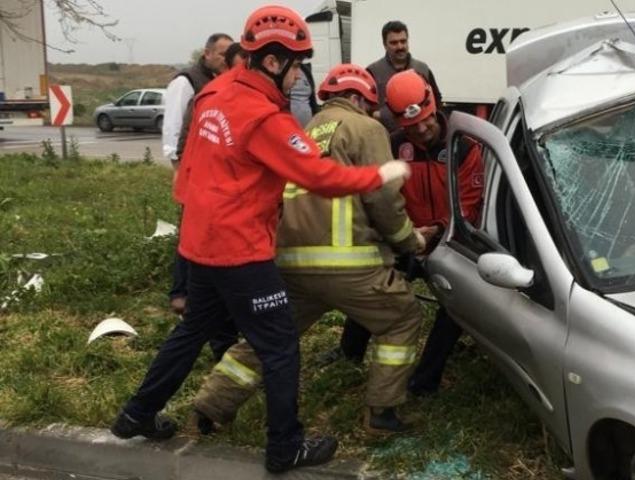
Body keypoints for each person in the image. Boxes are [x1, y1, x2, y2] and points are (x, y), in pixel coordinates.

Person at [110, 6, 411, 474]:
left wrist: (194, 218)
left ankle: (137, 413)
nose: (298, 80)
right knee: (279, 345)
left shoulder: (213, 92)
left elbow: (188, 166)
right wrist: (382, 172)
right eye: (297, 68)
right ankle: (285, 446)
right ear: (274, 62)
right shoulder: (263, 117)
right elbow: (318, 175)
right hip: (240, 249)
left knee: (191, 331)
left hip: (198, 240)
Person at [192, 63, 428, 435]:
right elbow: (382, 198)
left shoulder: (304, 130)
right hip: (350, 266)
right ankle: (383, 413)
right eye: (368, 104)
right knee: (402, 318)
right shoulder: (366, 128)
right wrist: (410, 241)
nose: (370, 112)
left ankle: (212, 405)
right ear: (357, 98)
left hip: (291, 262)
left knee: (270, 334)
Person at [336, 70, 484, 396]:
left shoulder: (464, 145)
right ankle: (348, 352)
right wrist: (405, 234)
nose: (420, 130)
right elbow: (387, 197)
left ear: (434, 105)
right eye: (411, 126)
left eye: (426, 121)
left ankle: (425, 381)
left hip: (451, 240)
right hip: (409, 236)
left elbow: (471, 203)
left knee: (455, 307)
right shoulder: (392, 146)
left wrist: (442, 229)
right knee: (371, 284)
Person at [163, 32, 232, 317]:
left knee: (203, 231)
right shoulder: (186, 82)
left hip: (209, 170)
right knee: (189, 231)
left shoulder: (220, 79)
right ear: (207, 54)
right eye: (221, 53)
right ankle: (180, 292)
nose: (225, 58)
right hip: (190, 167)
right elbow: (174, 126)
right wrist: (177, 168)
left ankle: (200, 291)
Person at [367, 21, 442, 132]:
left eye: (403, 41)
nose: (400, 46)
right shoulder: (372, 72)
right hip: (386, 137)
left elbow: (437, 101)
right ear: (384, 44)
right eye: (394, 43)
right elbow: (366, 111)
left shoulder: (422, 69)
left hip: (418, 135)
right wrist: (383, 115)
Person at [290, 63, 320, 127]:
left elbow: (312, 99)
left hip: (308, 129)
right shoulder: (280, 70)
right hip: (288, 129)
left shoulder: (305, 70)